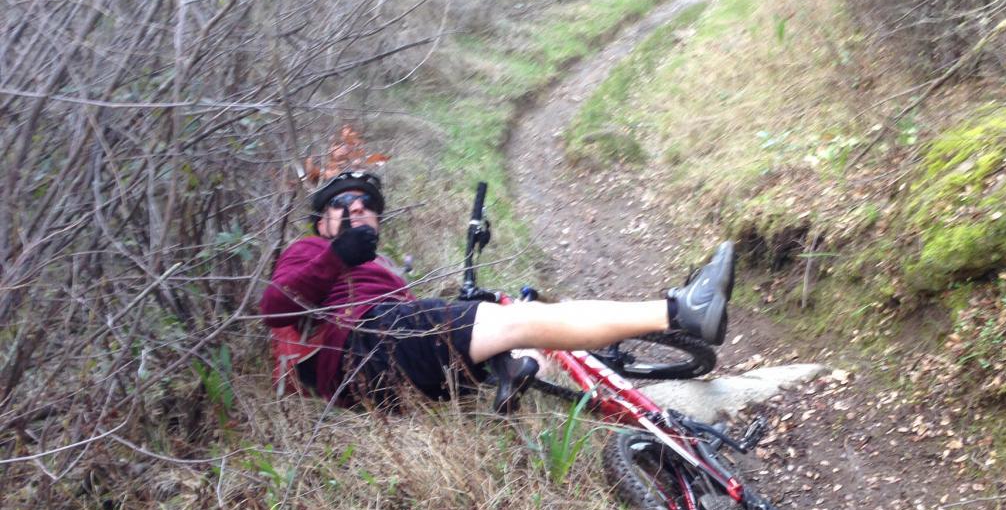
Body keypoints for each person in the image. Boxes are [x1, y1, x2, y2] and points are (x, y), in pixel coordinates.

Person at [261, 170, 734, 408]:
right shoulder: (307, 251)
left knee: (518, 323)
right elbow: (273, 309)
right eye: (344, 203)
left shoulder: (380, 267)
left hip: (389, 374)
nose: (359, 209)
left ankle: (508, 370)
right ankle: (680, 311)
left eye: (368, 205)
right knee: (521, 321)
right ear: (320, 221)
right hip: (365, 344)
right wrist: (335, 255)